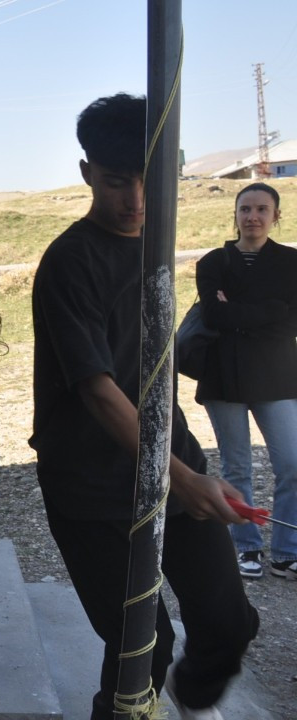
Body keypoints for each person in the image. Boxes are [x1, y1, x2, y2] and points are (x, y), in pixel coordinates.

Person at [30, 93, 259, 720]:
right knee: (141, 651)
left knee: (229, 622)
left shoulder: (156, 245)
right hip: (90, 482)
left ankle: (192, 704)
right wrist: (186, 483)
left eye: (147, 181)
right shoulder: (68, 263)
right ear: (86, 174)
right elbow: (100, 392)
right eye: (115, 181)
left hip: (169, 450)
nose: (134, 200)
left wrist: (185, 474)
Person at [193, 182, 297, 580]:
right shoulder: (212, 263)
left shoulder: (291, 262)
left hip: (278, 376)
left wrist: (237, 312)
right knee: (237, 469)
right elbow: (213, 318)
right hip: (225, 377)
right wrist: (269, 309)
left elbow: (293, 320)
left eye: (262, 209)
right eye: (245, 208)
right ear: (235, 214)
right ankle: (248, 547)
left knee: (291, 465)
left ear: (276, 216)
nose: (253, 216)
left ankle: (286, 552)